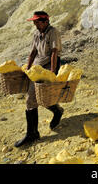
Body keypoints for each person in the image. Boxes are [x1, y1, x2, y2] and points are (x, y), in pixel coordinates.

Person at [14, 11, 64, 148]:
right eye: (34, 22)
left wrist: (52, 73)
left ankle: (33, 133)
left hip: (49, 65)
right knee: (34, 97)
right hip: (38, 66)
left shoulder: (53, 32)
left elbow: (54, 53)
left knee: (38, 97)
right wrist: (28, 69)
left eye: (37, 21)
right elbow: (33, 52)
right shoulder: (36, 33)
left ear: (45, 21)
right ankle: (33, 132)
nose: (35, 24)